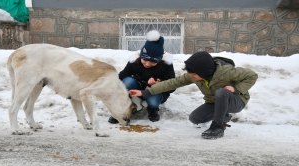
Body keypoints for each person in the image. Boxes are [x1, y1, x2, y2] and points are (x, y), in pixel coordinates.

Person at [129, 51, 258, 139]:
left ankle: (218, 126)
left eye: (194, 74)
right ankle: (223, 115)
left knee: (221, 92)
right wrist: (145, 92)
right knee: (195, 119)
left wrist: (236, 88)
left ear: (205, 71)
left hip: (236, 100)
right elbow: (173, 83)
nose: (192, 77)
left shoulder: (228, 72)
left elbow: (252, 75)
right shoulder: (195, 76)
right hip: (215, 102)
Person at [108, 30, 176, 124]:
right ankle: (123, 109)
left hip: (153, 92)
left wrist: (159, 84)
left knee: (153, 100)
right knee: (127, 81)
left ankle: (153, 109)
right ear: (140, 56)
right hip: (136, 89)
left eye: (152, 62)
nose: (147, 64)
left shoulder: (166, 64)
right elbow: (122, 76)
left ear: (159, 60)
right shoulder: (134, 60)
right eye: (145, 60)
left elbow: (172, 85)